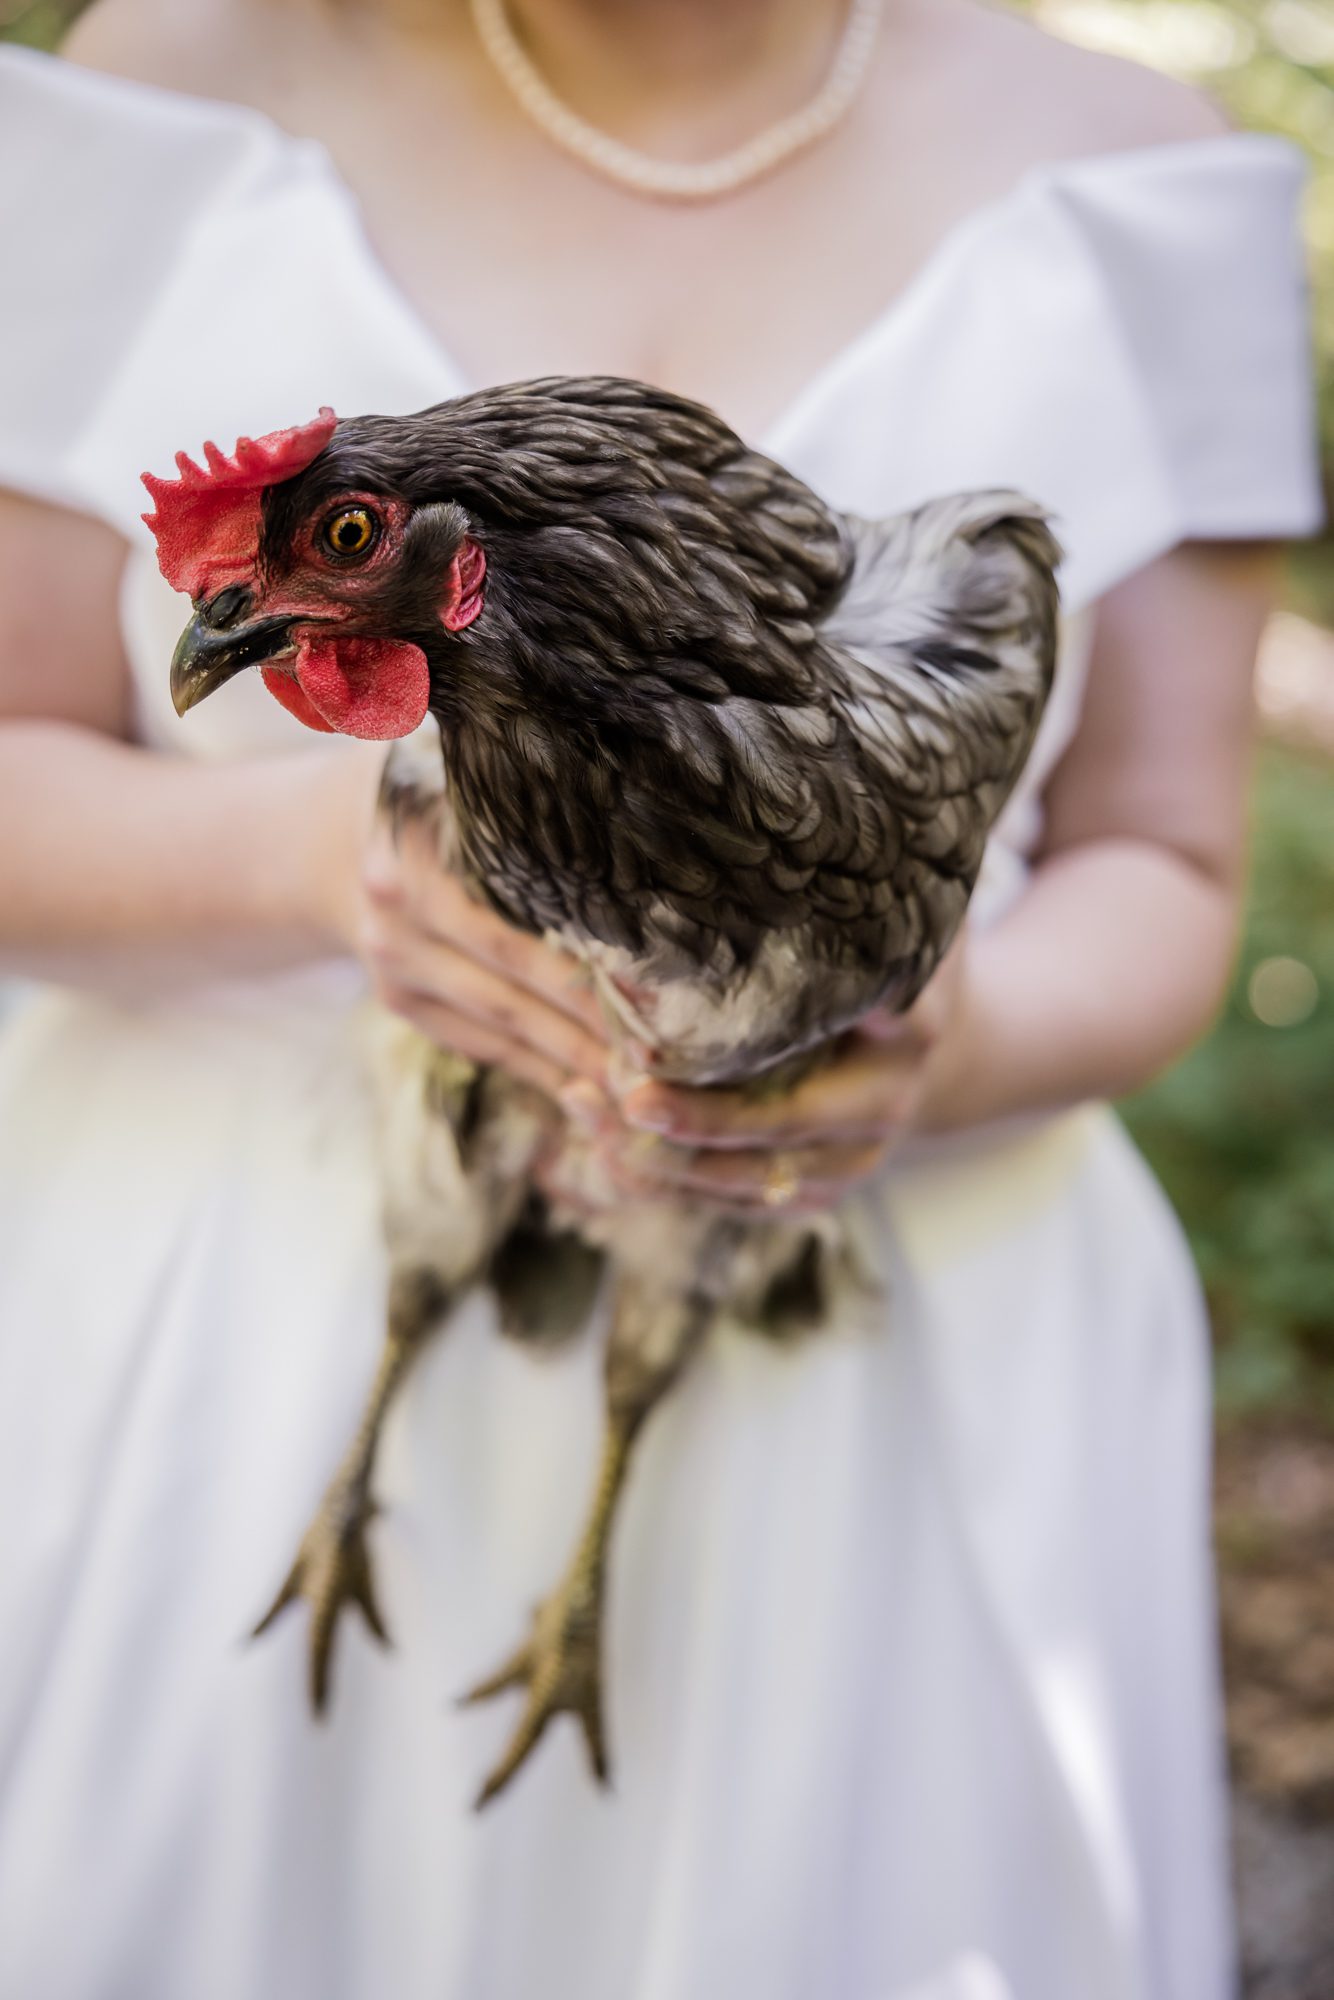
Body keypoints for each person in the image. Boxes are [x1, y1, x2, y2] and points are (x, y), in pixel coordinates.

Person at [0, 2, 1321, 1995]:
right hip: (218, 1341)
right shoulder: (154, 79)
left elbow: (1171, 863)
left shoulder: (1150, 180)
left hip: (890, 1348)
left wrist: (951, 1039)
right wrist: (305, 862)